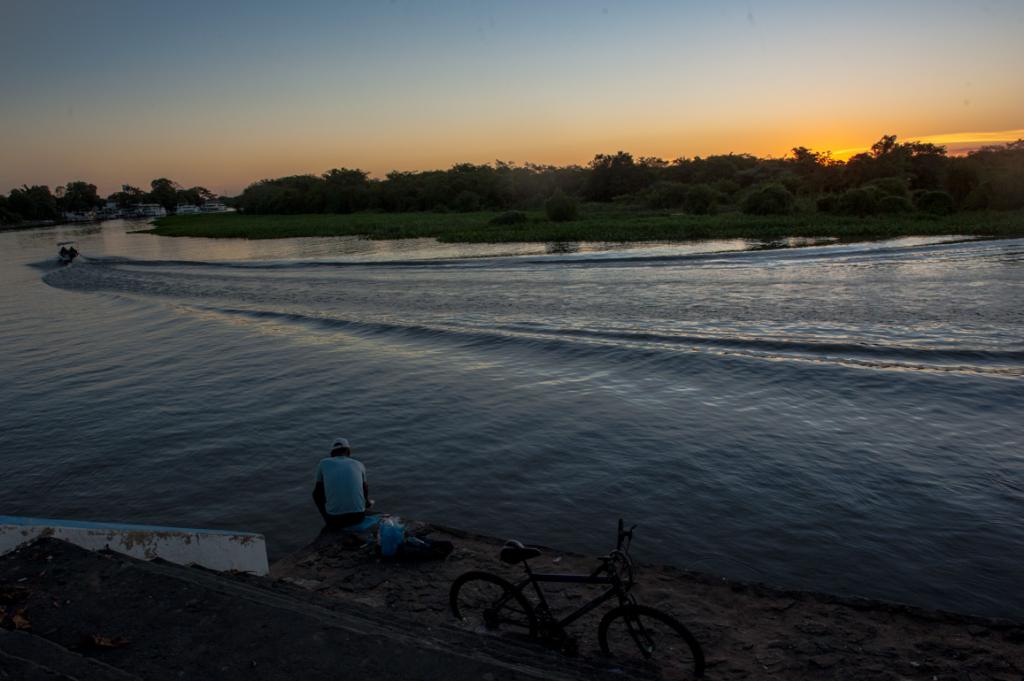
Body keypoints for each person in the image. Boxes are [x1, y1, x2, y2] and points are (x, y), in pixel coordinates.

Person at [312, 437, 371, 529]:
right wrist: (367, 502)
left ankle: (327, 520)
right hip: (358, 517)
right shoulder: (359, 464)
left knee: (317, 492)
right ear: (348, 451)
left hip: (335, 519)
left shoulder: (323, 463)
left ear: (332, 453)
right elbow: (365, 488)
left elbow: (317, 492)